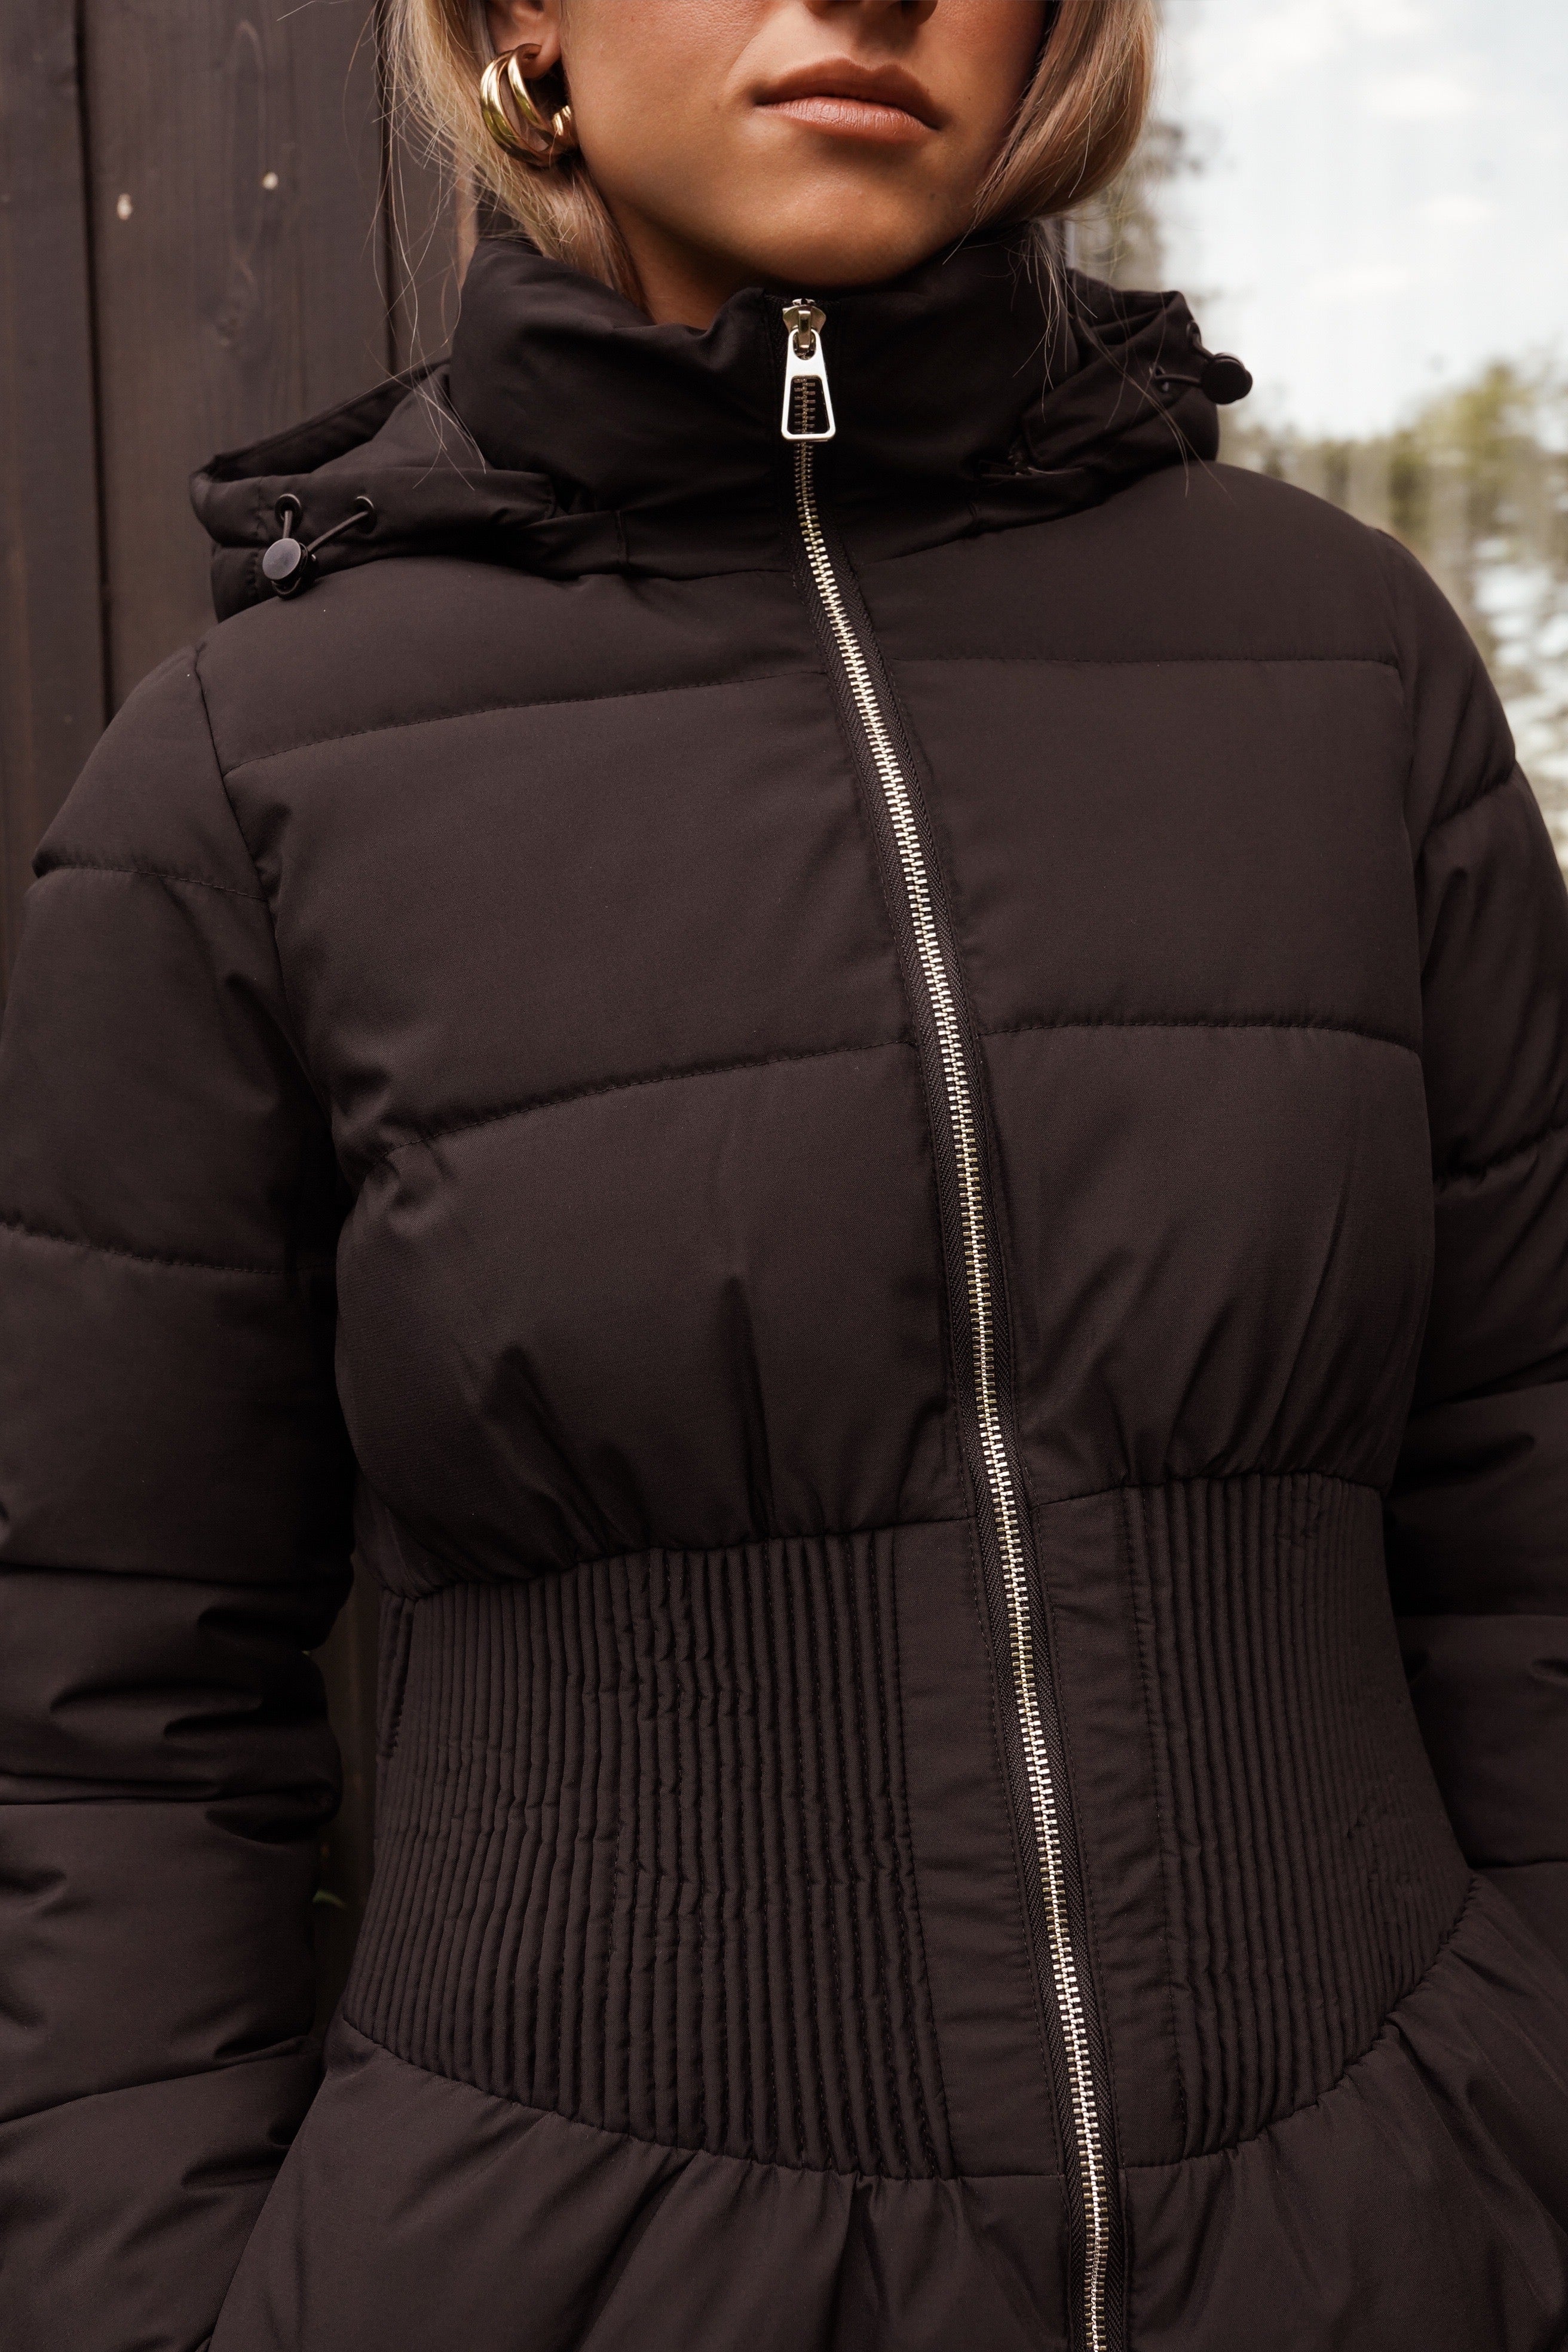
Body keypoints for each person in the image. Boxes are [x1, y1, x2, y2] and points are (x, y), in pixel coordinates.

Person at [1, 0, 1564, 2344]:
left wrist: (1510, 2136)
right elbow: (100, 1702)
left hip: (1377, 2259)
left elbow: (1527, 1504)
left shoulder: (1351, 671)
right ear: (518, 21)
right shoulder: (244, 775)